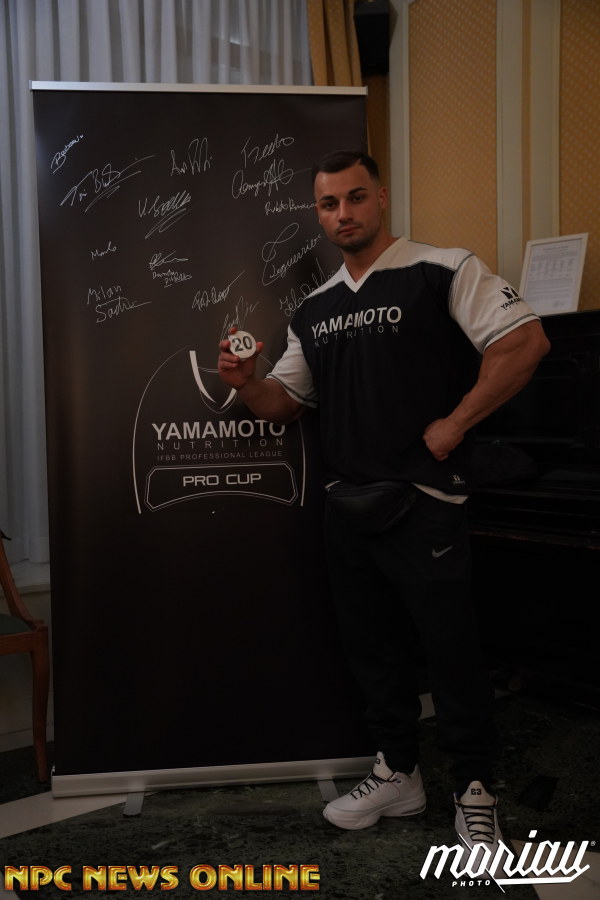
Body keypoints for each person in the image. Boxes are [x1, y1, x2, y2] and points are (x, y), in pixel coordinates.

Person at [217, 150, 550, 853]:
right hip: (347, 506)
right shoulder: (315, 308)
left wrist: (455, 424)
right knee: (372, 653)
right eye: (329, 204)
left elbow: (525, 343)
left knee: (451, 652)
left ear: (381, 198)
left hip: (426, 501)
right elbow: (284, 403)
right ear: (318, 214)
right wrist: (246, 382)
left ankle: (475, 788)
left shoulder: (443, 267)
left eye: (356, 197)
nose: (344, 213)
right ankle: (399, 772)